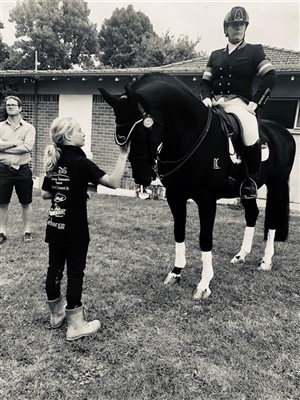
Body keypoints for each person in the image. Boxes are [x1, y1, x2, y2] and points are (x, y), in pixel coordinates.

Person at [42, 117, 130, 341]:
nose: (85, 134)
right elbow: (113, 182)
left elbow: (45, 193)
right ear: (69, 137)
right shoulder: (82, 162)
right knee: (74, 273)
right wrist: (123, 154)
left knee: (55, 269)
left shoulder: (56, 159)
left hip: (55, 225)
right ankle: (76, 326)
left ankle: (56, 315)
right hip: (75, 229)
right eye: (80, 131)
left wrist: (73, 191)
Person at [200, 6, 276, 199]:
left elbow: (269, 75)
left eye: (242, 25)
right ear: (226, 29)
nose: (238, 28)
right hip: (216, 103)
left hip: (239, 104)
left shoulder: (254, 51)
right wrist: (206, 97)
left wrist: (256, 103)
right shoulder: (215, 55)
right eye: (234, 25)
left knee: (250, 127)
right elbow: (206, 82)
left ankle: (250, 180)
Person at [0, 96, 36, 244]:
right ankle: (2, 232)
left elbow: (27, 147)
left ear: (20, 108)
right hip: (3, 170)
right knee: (2, 203)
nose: (10, 107)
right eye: (8, 105)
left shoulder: (29, 128)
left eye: (13, 105)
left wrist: (5, 147)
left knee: (26, 202)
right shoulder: (0, 126)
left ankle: (27, 231)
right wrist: (16, 143)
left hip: (23, 170)